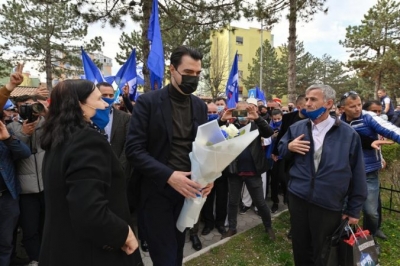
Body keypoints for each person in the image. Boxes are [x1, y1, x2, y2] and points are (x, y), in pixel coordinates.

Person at [125, 46, 213, 266]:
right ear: (172, 70)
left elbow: (205, 147)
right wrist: (169, 176)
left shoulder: (200, 106)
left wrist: (209, 176)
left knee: (177, 251)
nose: (193, 78)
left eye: (197, 73)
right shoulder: (149, 102)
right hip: (157, 192)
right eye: (188, 72)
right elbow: (134, 150)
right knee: (164, 257)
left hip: (190, 192)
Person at [39, 80, 141, 266]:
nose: (105, 104)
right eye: (100, 98)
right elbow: (89, 210)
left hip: (64, 248)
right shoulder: (86, 141)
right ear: (79, 105)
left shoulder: (60, 138)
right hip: (91, 253)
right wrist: (123, 234)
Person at [278, 84, 367, 265]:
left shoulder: (348, 134)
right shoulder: (297, 128)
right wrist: (288, 147)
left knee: (325, 251)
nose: (307, 103)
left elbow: (357, 173)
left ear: (328, 103)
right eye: (307, 99)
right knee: (301, 247)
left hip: (328, 203)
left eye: (313, 100)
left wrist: (353, 209)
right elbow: (279, 149)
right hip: (299, 198)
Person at [340, 91, 400, 240]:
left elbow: (391, 130)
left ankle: (370, 238)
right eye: (352, 106)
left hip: (368, 172)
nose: (357, 109)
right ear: (342, 108)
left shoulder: (368, 117)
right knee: (343, 209)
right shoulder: (337, 122)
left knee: (371, 212)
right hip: (345, 173)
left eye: (359, 104)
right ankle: (345, 238)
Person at [219, 101, 276, 241]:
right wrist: (222, 119)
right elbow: (215, 137)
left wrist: (257, 117)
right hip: (235, 172)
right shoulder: (230, 127)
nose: (243, 116)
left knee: (260, 202)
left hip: (253, 171)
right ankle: (232, 228)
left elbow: (269, 133)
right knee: (232, 202)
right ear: (235, 113)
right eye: (240, 112)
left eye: (246, 112)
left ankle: (268, 227)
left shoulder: (256, 125)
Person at [7, 95, 47, 266]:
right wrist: (23, 134)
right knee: (30, 229)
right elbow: (13, 154)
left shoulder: (47, 125)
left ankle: (48, 256)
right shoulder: (11, 129)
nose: (31, 110)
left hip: (46, 186)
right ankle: (35, 260)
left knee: (47, 226)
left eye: (33, 106)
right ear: (18, 109)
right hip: (25, 190)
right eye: (26, 107)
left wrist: (45, 110)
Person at [201, 102, 228, 236]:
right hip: (207, 168)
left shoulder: (227, 125)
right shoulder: (201, 126)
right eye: (209, 112)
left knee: (222, 197)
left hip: (222, 167)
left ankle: (220, 223)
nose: (211, 115)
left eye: (214, 112)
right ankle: (208, 223)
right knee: (208, 197)